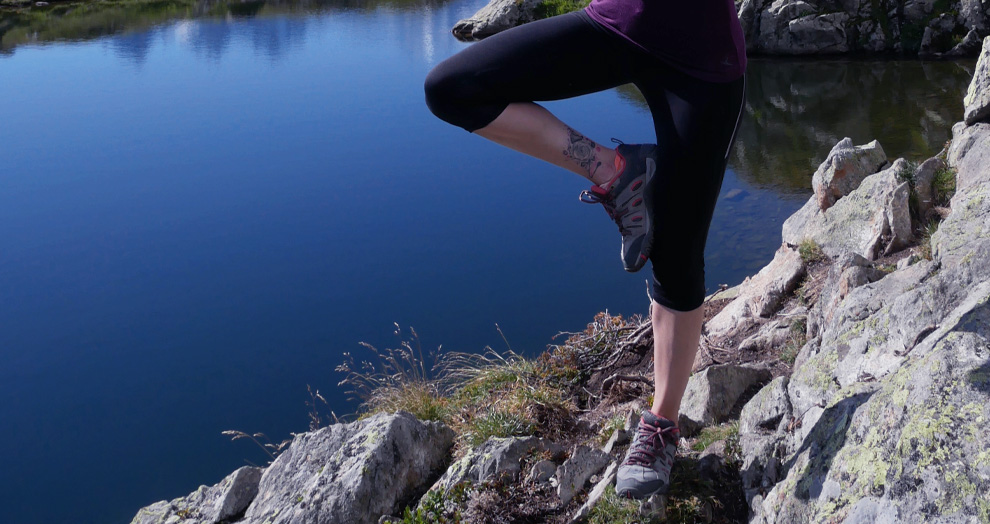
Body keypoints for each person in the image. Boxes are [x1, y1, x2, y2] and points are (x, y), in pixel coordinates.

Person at [424, 0, 746, 499]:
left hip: (705, 62)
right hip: (620, 24)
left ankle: (661, 424)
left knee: (678, 253)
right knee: (451, 88)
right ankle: (614, 172)